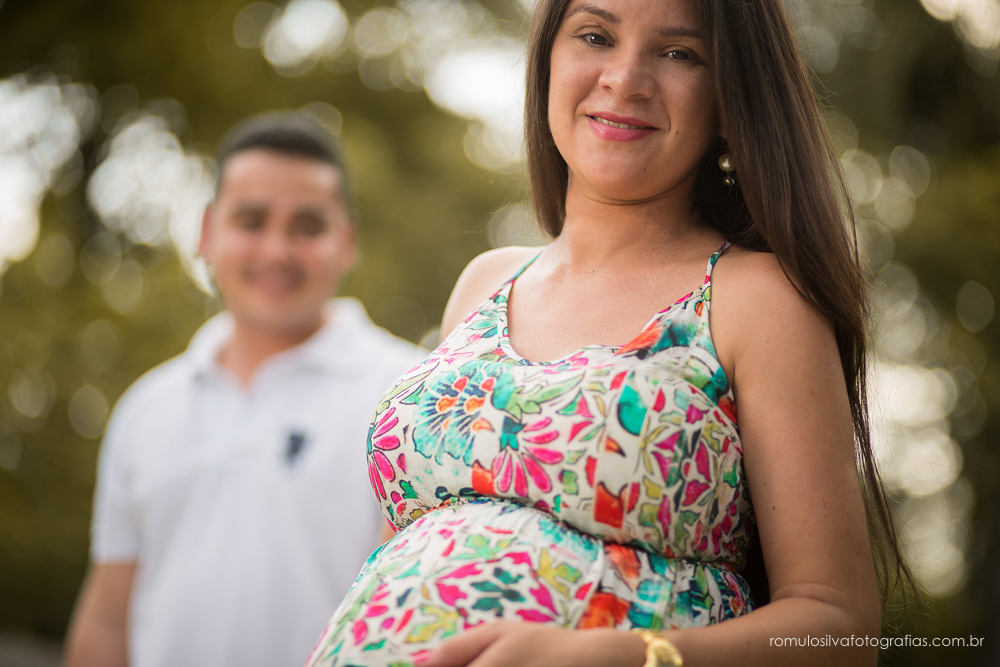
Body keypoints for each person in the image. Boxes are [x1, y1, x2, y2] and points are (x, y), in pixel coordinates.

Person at [304, 0, 916, 665]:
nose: (626, 79)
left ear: (729, 97)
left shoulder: (757, 299)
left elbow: (839, 626)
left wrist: (623, 655)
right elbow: (407, 550)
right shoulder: (484, 283)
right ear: (547, 63)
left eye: (679, 53)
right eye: (595, 36)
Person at [64, 113, 423, 667]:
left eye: (307, 226)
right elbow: (109, 616)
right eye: (251, 220)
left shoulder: (410, 394)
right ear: (207, 232)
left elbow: (417, 614)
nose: (276, 250)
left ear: (346, 241)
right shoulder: (146, 408)